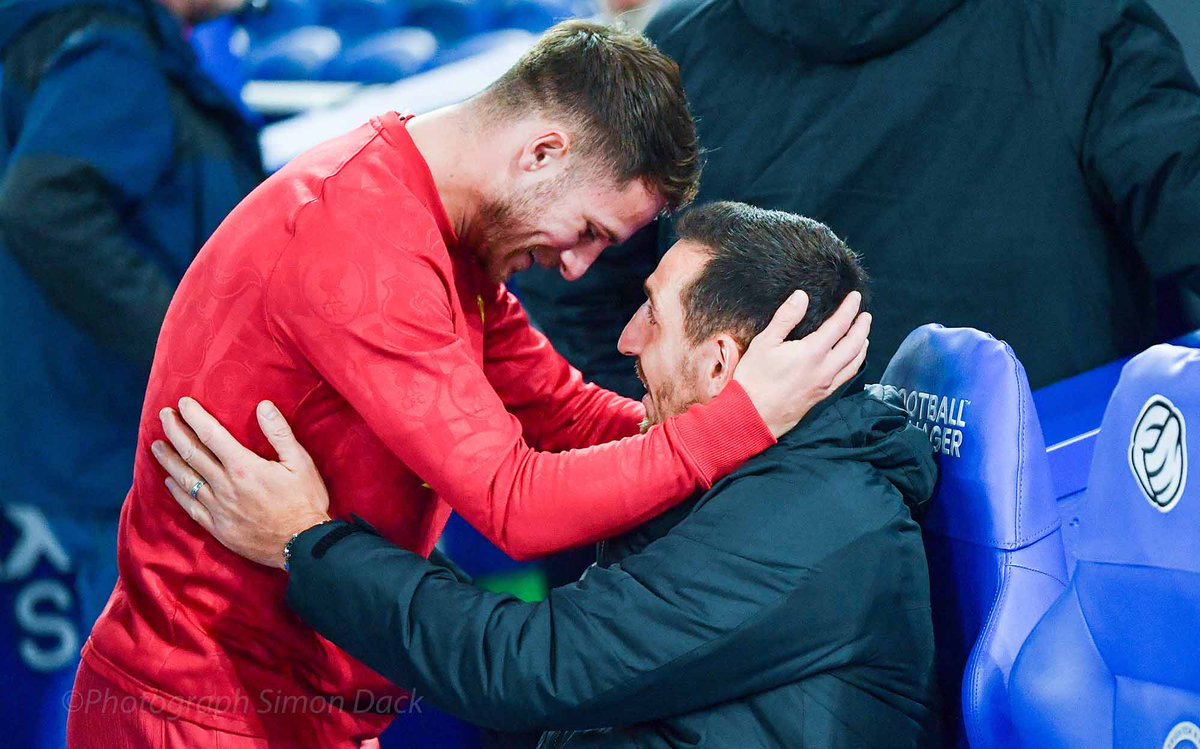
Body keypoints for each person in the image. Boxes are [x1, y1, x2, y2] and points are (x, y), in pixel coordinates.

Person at [67, 23, 871, 749]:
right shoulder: (360, 240)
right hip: (199, 711)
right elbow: (516, 503)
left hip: (292, 706)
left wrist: (769, 433)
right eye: (588, 230)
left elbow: (562, 412)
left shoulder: (445, 233)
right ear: (543, 152)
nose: (577, 265)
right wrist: (735, 423)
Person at [152, 202, 939, 748]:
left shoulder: (810, 521)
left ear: (721, 362)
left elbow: (532, 666)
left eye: (652, 314)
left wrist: (307, 542)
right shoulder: (772, 476)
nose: (627, 340)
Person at [520, 0, 1200, 395]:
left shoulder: (670, 57)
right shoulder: (1075, 20)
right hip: (1077, 529)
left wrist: (681, 427)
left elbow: (570, 279)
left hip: (796, 575)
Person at [0, 0, 265, 629]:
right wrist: (190, 348)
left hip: (97, 439)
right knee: (135, 700)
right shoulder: (112, 50)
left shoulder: (97, 41)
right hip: (118, 446)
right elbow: (42, 207)